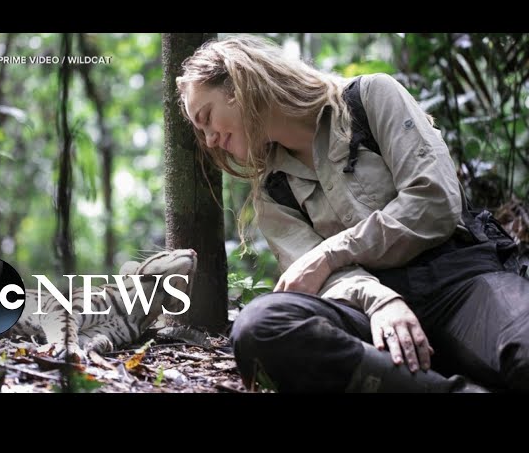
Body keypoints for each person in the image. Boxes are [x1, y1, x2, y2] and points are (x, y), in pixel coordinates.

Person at [176, 34, 529, 393]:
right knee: (259, 326)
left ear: (240, 85)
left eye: (207, 117)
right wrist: (380, 300)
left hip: (460, 282)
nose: (209, 140)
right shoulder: (272, 190)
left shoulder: (371, 98)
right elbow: (310, 276)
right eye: (201, 131)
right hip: (364, 315)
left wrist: (331, 252)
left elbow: (434, 202)